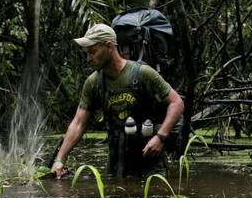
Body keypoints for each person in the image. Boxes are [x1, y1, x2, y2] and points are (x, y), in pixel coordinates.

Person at [51, 23, 184, 178]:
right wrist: (60, 160)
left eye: (93, 52)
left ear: (109, 47)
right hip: (117, 161)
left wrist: (161, 137)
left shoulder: (142, 74)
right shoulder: (93, 83)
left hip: (150, 159)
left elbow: (177, 103)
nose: (88, 58)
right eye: (87, 53)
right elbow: (78, 122)